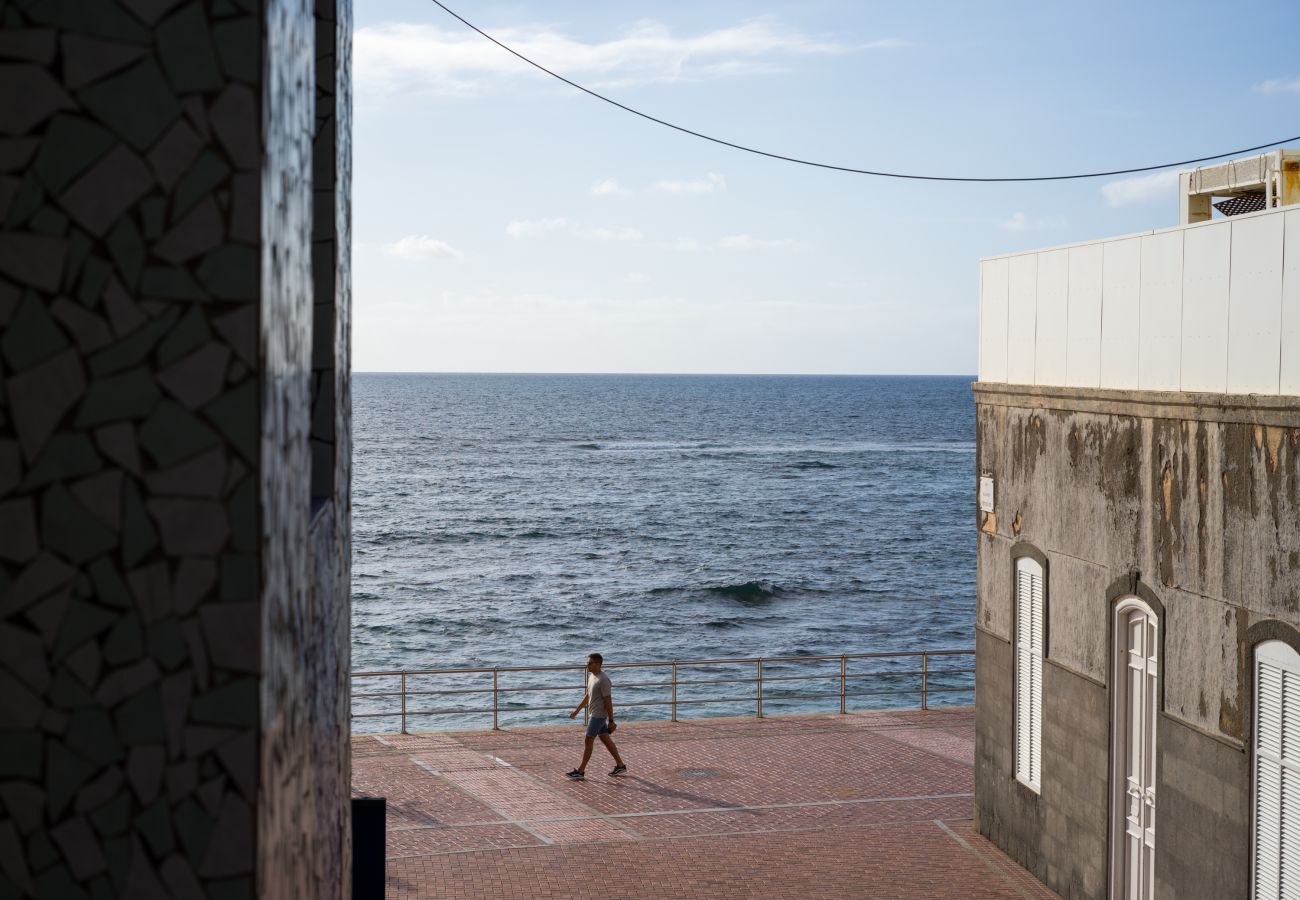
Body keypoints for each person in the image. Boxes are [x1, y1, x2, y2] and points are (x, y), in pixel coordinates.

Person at [566, 652, 626, 780]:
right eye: (587, 662)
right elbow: (588, 696)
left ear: (598, 664)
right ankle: (620, 765)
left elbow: (608, 700)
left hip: (598, 715)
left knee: (588, 739)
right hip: (594, 713)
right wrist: (577, 710)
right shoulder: (592, 677)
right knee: (605, 739)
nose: (587, 665)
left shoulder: (603, 679)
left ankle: (581, 771)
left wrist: (611, 720)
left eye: (590, 663)